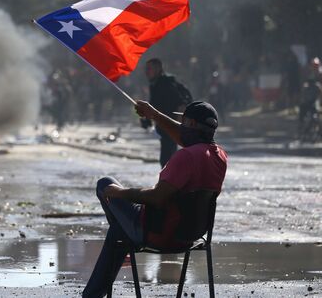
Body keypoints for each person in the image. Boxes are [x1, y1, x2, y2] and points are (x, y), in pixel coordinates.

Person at [82, 100, 228, 298]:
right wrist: (154, 114)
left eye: (184, 122)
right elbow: (185, 137)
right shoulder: (219, 157)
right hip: (189, 237)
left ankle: (99, 284)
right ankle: (91, 295)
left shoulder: (185, 157)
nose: (180, 126)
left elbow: (156, 198)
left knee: (104, 184)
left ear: (192, 125)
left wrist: (120, 192)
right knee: (118, 231)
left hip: (159, 234)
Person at [141, 58, 192, 167]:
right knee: (167, 159)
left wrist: (179, 127)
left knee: (167, 160)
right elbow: (154, 105)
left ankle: (171, 182)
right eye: (146, 69)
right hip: (164, 127)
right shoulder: (155, 84)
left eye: (149, 69)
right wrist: (147, 119)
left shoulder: (165, 84)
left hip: (170, 126)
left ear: (158, 69)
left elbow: (181, 103)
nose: (146, 72)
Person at [298, 68, 322, 139]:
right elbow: (302, 97)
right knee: (302, 118)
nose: (311, 84)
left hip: (313, 104)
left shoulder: (317, 86)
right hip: (305, 104)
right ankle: (300, 130)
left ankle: (321, 134)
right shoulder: (305, 87)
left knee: (317, 118)